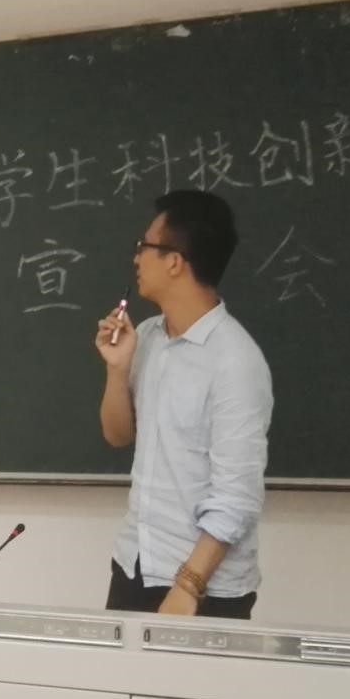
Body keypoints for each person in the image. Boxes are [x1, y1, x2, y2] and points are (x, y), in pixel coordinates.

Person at [94, 190, 273, 619]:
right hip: (136, 563)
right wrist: (117, 370)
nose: (136, 258)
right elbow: (117, 436)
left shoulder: (235, 360)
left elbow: (237, 497)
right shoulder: (148, 337)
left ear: (174, 261)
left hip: (201, 588)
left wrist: (188, 587)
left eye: (144, 246)